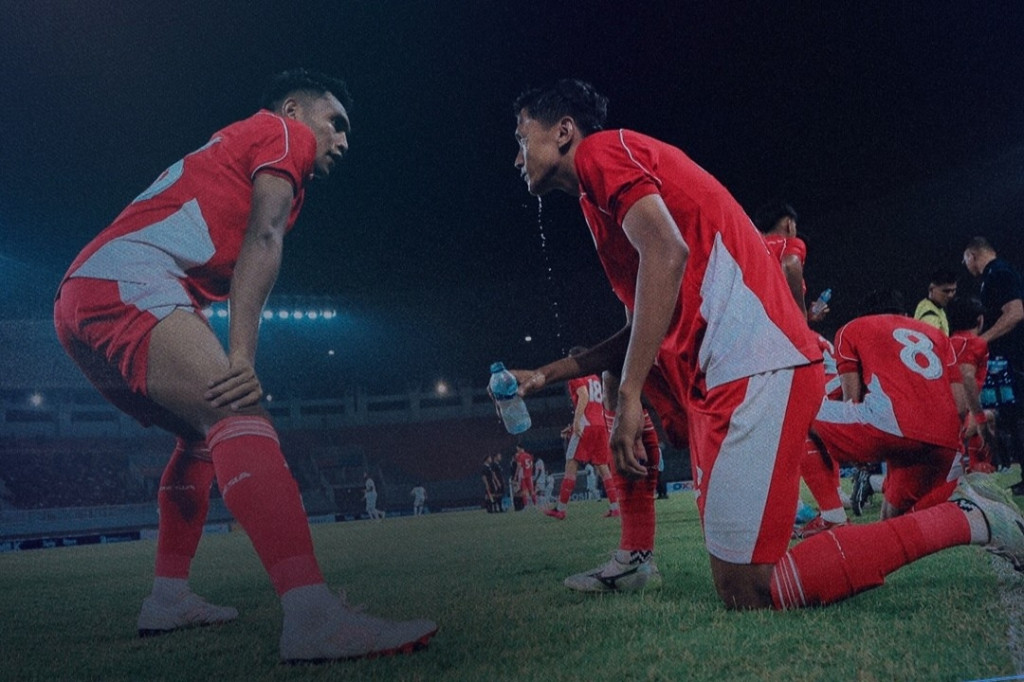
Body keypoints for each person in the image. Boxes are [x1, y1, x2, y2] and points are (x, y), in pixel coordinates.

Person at [508, 78, 1024, 610]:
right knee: (737, 572)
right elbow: (642, 321)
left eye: (523, 138)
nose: (518, 157)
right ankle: (637, 559)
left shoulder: (603, 151)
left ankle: (969, 518)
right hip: (725, 370)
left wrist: (630, 394)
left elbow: (668, 253)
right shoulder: (599, 202)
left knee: (751, 590)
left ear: (565, 132)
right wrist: (550, 373)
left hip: (757, 359)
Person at [52, 69, 436, 660]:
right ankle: (311, 616)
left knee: (203, 437)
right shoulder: (286, 135)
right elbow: (263, 238)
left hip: (88, 293)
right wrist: (241, 356)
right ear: (294, 108)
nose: (341, 138)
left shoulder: (241, 145)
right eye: (335, 122)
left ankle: (168, 597)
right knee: (237, 405)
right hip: (127, 278)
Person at [812, 290, 967, 519]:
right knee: (892, 520)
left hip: (890, 425)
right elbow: (961, 406)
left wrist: (858, 452)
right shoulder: (938, 336)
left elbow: (850, 400)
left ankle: (831, 515)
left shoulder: (853, 328)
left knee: (799, 410)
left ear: (864, 314)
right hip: (944, 438)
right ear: (904, 314)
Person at [964, 237, 1024, 495]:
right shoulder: (994, 274)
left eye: (965, 260)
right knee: (1012, 418)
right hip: (1011, 361)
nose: (965, 266)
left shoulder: (999, 273)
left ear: (972, 255)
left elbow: (1016, 312)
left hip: (1017, 359)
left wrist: (981, 340)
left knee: (1018, 418)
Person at [545, 347, 620, 520]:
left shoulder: (575, 376)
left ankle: (561, 509)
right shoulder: (594, 377)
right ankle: (615, 507)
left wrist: (576, 422)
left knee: (571, 463)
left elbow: (584, 396)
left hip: (586, 424)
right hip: (600, 424)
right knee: (602, 467)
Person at [753, 201, 827, 323]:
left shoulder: (751, 246)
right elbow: (789, 266)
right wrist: (802, 319)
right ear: (789, 224)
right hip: (771, 327)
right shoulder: (789, 243)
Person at [947, 296, 994, 473]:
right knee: (988, 419)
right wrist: (979, 419)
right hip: (956, 422)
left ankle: (970, 467)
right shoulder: (975, 343)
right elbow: (966, 377)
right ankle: (978, 469)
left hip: (938, 416)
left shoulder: (947, 342)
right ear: (980, 319)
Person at [913, 268, 958, 335]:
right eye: (946, 291)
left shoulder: (932, 305)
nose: (950, 295)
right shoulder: (930, 318)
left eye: (953, 290)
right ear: (931, 289)